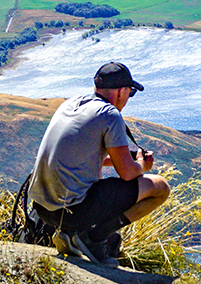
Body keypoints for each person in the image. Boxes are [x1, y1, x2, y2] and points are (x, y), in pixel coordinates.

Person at [28, 62, 171, 267]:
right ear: (121, 91)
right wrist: (141, 164)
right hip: (72, 211)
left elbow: (83, 156)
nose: (128, 99)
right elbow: (128, 174)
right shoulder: (109, 114)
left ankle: (76, 233)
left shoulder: (70, 104)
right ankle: (96, 237)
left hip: (42, 209)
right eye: (130, 94)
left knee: (99, 181)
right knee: (159, 187)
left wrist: (123, 158)